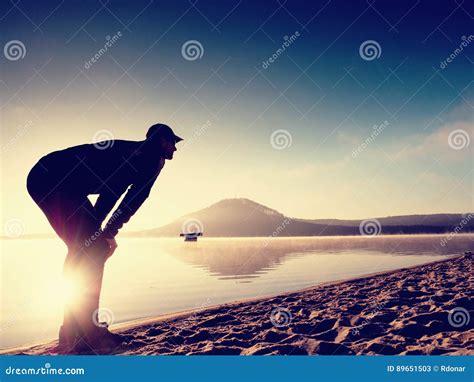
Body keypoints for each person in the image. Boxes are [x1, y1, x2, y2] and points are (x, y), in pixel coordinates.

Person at [26, 123, 182, 352]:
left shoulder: (145, 156)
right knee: (92, 249)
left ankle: (75, 332)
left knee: (85, 250)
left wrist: (104, 232)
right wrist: (103, 233)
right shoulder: (148, 158)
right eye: (173, 143)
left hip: (54, 180)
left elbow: (131, 197)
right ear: (161, 141)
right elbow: (116, 192)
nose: (175, 149)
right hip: (49, 178)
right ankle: (86, 333)